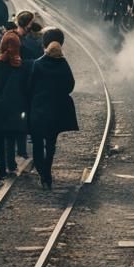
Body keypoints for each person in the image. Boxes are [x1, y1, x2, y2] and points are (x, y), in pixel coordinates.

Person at [27, 28, 78, 190]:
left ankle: (42, 172)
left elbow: (29, 87)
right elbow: (70, 85)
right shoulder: (64, 64)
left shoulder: (37, 64)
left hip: (38, 110)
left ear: (45, 45)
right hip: (56, 111)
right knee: (51, 144)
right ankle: (47, 173)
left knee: (36, 142)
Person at [0, 31, 30, 180]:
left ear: (2, 46)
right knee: (11, 136)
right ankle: (11, 164)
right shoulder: (23, 65)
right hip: (17, 107)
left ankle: (2, 169)